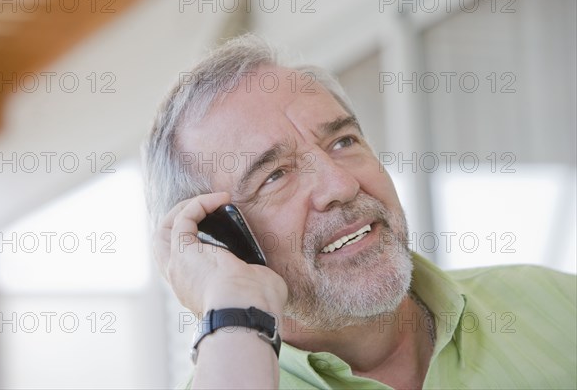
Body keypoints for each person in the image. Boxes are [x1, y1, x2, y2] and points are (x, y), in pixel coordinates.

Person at [143, 34, 576, 389]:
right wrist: (235, 311)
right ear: (218, 240)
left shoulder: (556, 304)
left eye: (343, 142)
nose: (341, 185)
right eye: (274, 175)